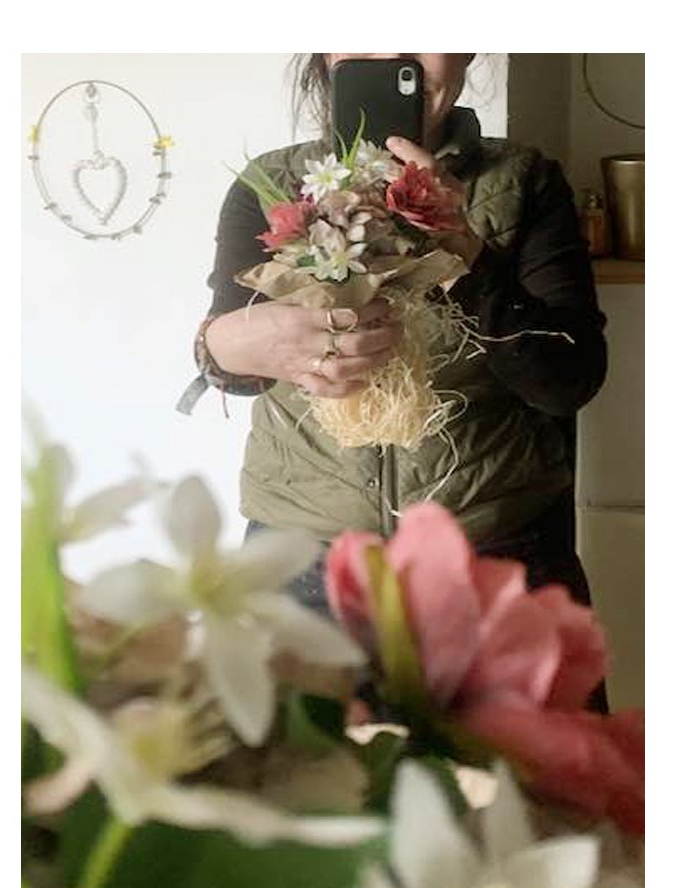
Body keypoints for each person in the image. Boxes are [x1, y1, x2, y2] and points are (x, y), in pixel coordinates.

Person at [180, 53, 609, 711]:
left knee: (535, 776)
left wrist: (467, 252)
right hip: (302, 568)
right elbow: (237, 366)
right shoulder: (272, 183)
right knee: (308, 769)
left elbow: (568, 380)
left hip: (492, 556)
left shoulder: (525, 179)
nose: (394, 49)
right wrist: (222, 346)